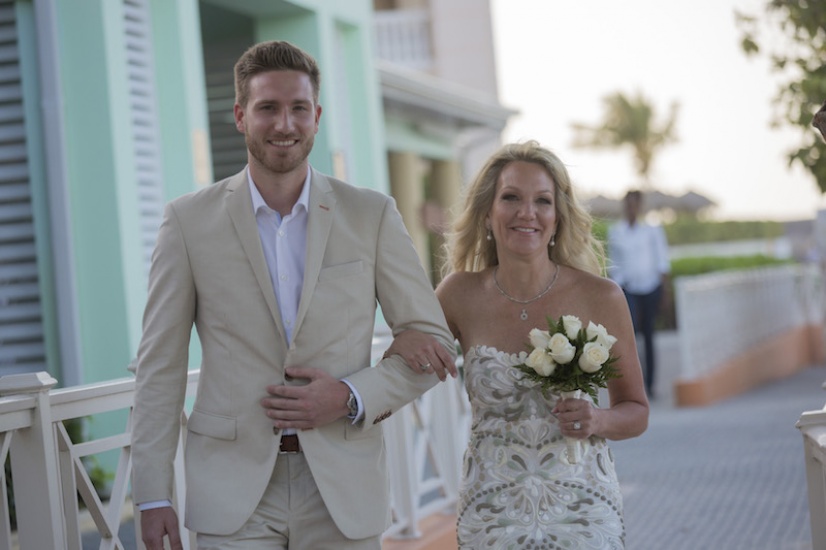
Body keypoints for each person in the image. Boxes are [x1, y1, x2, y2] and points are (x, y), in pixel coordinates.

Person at [130, 40, 456, 550]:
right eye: (267, 108)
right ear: (241, 115)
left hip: (343, 486)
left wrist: (349, 397)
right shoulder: (187, 222)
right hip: (231, 491)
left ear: (317, 116)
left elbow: (434, 344)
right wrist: (151, 495)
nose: (284, 124)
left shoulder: (371, 215)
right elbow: (159, 366)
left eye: (298, 108)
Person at [385, 141, 649, 548]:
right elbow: (407, 370)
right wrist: (356, 391)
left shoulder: (602, 297)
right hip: (492, 511)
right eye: (511, 198)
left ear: (558, 218)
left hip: (581, 510)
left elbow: (637, 412)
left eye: (542, 201)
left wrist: (597, 420)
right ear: (487, 214)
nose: (527, 213)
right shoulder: (459, 294)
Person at [607, 189, 671, 398]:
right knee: (630, 336)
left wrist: (664, 291)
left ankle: (650, 385)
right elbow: (613, 263)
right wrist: (618, 288)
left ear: (640, 206)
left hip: (650, 287)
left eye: (635, 204)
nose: (632, 208)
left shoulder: (651, 231)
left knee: (649, 335)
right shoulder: (616, 231)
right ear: (625, 206)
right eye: (629, 204)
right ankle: (632, 386)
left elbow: (662, 260)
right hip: (629, 289)